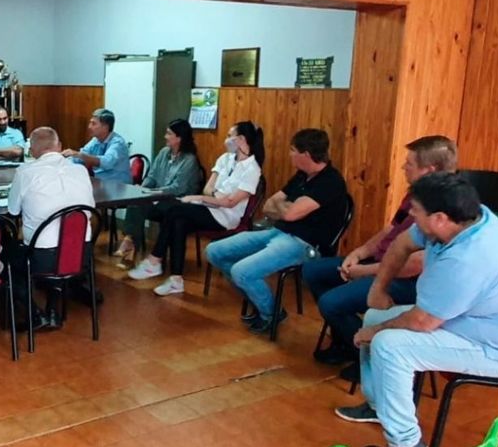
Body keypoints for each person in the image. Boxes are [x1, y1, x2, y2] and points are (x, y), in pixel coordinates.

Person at [334, 172, 498, 447]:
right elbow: (400, 245)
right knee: (373, 316)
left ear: (439, 218)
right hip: (470, 318)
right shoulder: (460, 221)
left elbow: (423, 322)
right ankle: (379, 406)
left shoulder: (471, 258)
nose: (410, 214)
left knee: (388, 345)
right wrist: (379, 289)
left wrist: (375, 333)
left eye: (415, 210)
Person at [305, 136, 457, 366]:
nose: (403, 167)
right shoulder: (416, 194)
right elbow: (392, 229)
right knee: (313, 271)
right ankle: (346, 342)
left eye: (409, 164)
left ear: (430, 170)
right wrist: (359, 252)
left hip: (408, 281)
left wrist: (364, 271)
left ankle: (370, 357)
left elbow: (415, 264)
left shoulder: (445, 209)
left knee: (331, 303)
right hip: (383, 263)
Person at [206, 128, 348, 334]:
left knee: (242, 272)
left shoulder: (330, 181)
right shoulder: (302, 175)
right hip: (278, 232)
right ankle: (259, 298)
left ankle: (271, 313)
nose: (289, 154)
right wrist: (289, 207)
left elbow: (288, 213)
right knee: (215, 251)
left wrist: (286, 208)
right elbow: (269, 205)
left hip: (304, 244)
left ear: (306, 154)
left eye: (292, 150)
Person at [128, 121, 264, 296]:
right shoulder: (225, 159)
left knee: (175, 210)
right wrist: (214, 196)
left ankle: (154, 260)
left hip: (225, 217)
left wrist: (203, 197)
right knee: (178, 221)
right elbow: (208, 188)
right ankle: (176, 280)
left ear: (241, 139)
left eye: (229, 136)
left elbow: (231, 203)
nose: (226, 140)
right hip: (208, 207)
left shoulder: (252, 169)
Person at [7, 127, 95, 331]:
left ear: (33, 151)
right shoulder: (80, 170)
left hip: (43, 258)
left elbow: (12, 211)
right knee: (60, 241)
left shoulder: (25, 172)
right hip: (81, 255)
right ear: (60, 146)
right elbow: (89, 209)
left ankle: (35, 314)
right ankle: (53, 310)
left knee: (9, 258)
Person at [115, 118, 204, 270]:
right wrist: (142, 189)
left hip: (178, 203)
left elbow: (178, 188)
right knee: (136, 201)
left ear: (179, 138)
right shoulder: (164, 153)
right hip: (158, 199)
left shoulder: (189, 160)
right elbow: (152, 175)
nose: (165, 136)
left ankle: (130, 245)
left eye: (169, 133)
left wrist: (153, 193)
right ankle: (130, 242)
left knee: (145, 204)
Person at [62, 108, 130, 183]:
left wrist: (78, 154)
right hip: (102, 183)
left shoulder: (118, 143)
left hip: (118, 186)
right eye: (90, 123)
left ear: (105, 127)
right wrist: (62, 160)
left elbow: (106, 162)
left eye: (93, 124)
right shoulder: (96, 140)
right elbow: (79, 157)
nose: (89, 127)